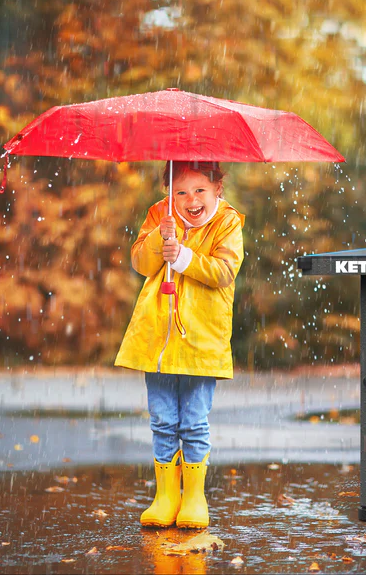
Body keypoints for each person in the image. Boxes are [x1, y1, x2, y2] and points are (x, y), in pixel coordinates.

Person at [114, 160, 245, 529]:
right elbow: (141, 262)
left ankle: (194, 496)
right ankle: (166, 495)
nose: (190, 200)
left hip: (200, 339)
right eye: (180, 192)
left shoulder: (228, 223)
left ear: (218, 187)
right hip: (158, 337)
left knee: (194, 422)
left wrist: (183, 257)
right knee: (162, 420)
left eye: (200, 190)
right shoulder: (160, 213)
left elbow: (223, 272)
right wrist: (160, 237)